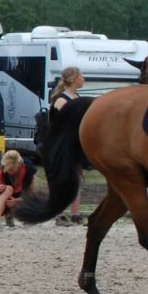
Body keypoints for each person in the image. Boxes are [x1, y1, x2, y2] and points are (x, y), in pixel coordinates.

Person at [49, 67, 85, 225]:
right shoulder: (62, 99)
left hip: (74, 143)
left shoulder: (76, 96)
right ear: (73, 79)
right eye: (81, 76)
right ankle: (59, 215)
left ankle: (75, 214)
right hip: (62, 145)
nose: (83, 79)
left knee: (76, 179)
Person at [0, 150, 34, 228]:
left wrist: (16, 201)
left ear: (19, 165)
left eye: (12, 169)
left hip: (15, 200)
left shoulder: (27, 169)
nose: (10, 172)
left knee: (27, 200)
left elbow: (31, 196)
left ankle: (12, 218)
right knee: (8, 189)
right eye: (8, 169)